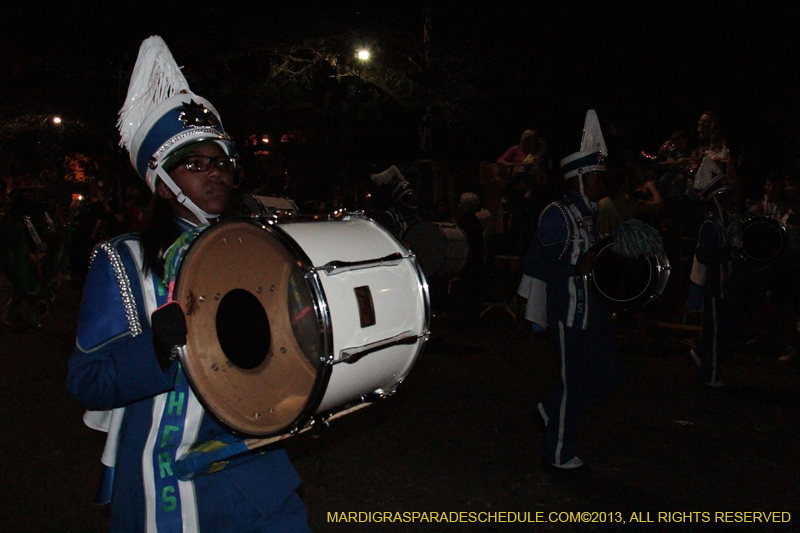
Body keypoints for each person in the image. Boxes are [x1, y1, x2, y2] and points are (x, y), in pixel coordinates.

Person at [67, 36, 310, 532]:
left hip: (258, 470)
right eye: (195, 165)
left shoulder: (259, 251)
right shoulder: (124, 260)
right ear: (161, 181)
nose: (214, 175)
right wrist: (155, 348)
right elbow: (87, 381)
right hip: (169, 483)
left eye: (221, 162)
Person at [519, 110, 621, 474]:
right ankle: (556, 452)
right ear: (579, 178)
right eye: (596, 176)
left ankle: (551, 410)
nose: (602, 182)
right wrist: (574, 268)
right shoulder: (556, 214)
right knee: (574, 382)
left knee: (609, 377)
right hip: (569, 313)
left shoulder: (592, 215)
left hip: (595, 310)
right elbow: (532, 263)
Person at [688, 156, 739, 387]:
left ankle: (702, 356)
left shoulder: (726, 222)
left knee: (719, 332)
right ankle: (709, 375)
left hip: (724, 286)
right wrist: (729, 251)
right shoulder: (711, 225)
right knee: (716, 333)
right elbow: (703, 255)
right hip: (715, 288)